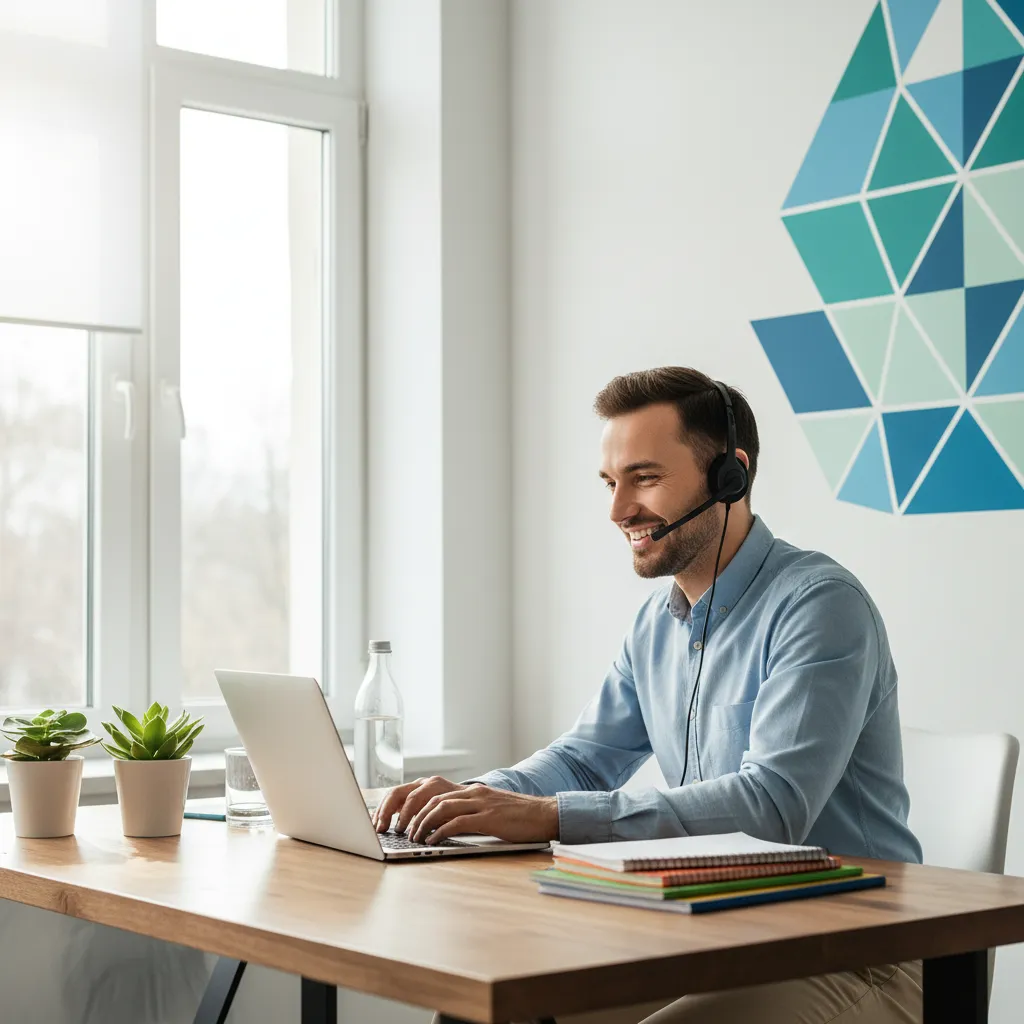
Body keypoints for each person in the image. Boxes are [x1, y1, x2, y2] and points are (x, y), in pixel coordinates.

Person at [373, 367, 924, 1024]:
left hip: (848, 951)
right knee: (482, 1011)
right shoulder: (656, 625)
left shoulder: (819, 606)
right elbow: (584, 759)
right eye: (611, 483)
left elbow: (773, 807)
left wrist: (549, 817)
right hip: (712, 937)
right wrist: (463, 805)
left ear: (730, 476)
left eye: (645, 478)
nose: (617, 510)